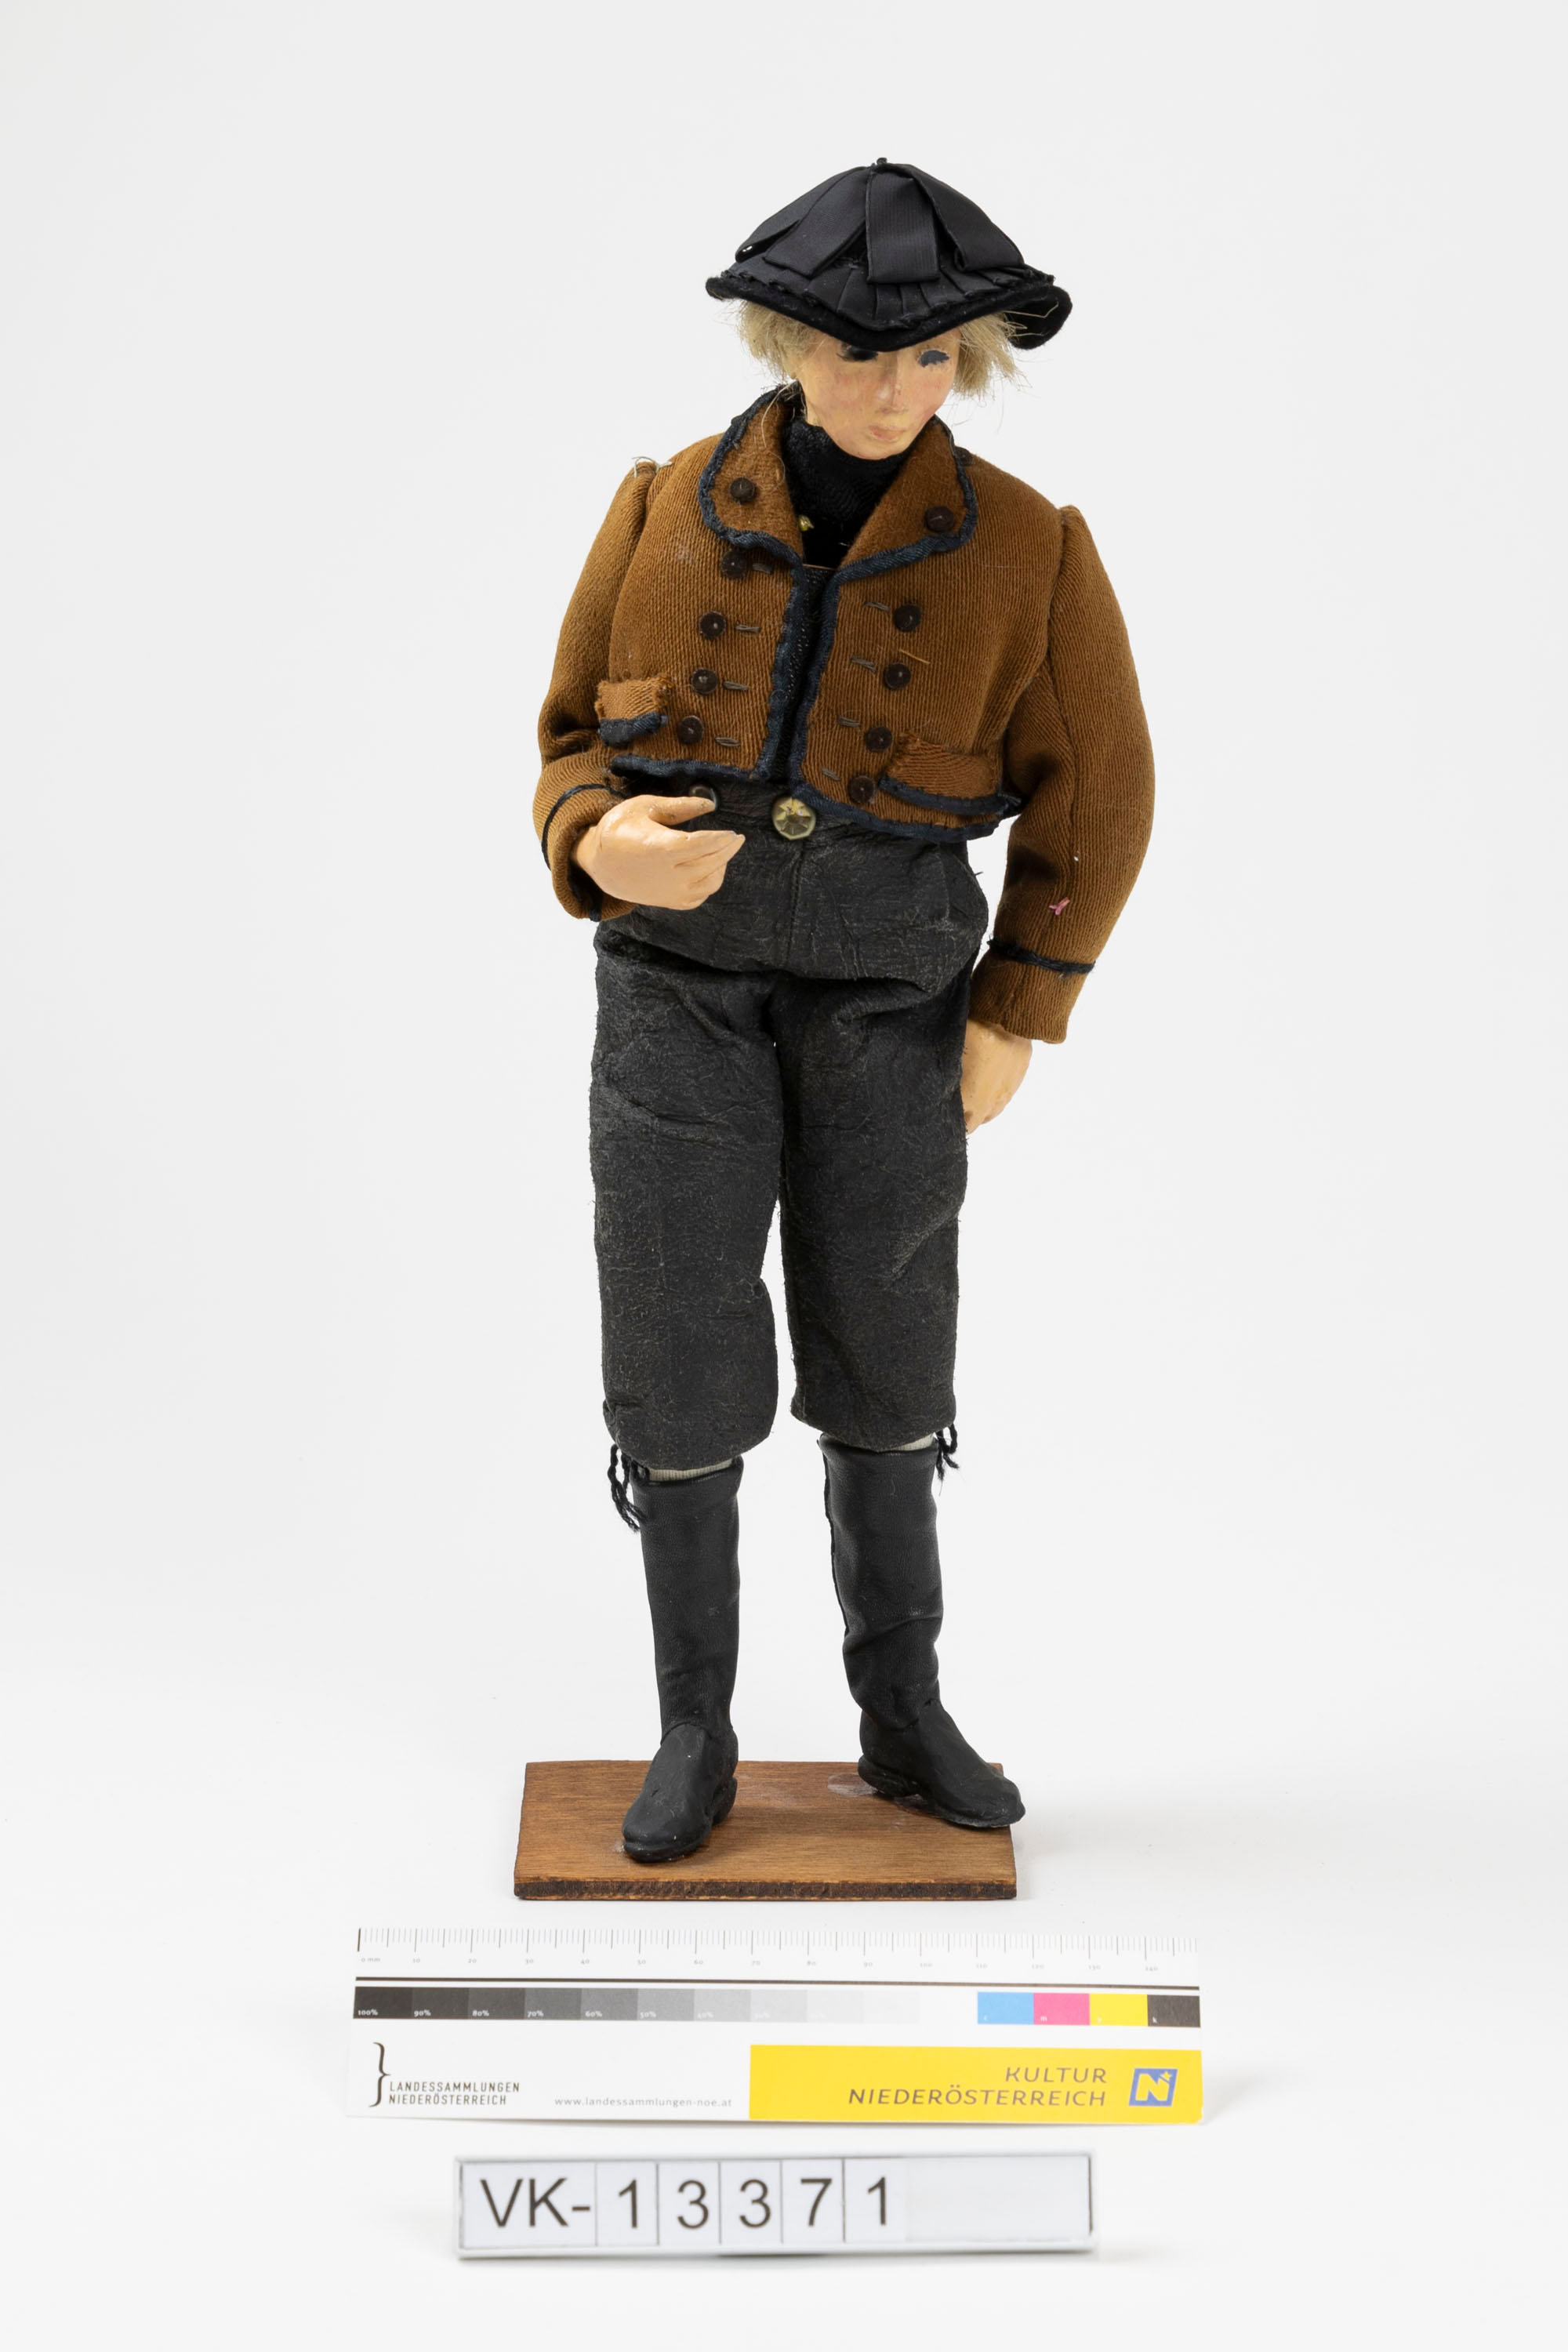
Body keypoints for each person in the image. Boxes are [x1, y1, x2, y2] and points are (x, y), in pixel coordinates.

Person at [533, 161, 1155, 1864]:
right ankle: (694, 1729)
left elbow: (1100, 789)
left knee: (889, 1347)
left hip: (894, 1001)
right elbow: (571, 728)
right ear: (784, 342)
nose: (892, 391)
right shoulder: (663, 503)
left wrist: (1017, 1006)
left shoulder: (1028, 547)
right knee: (676, 1344)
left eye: (931, 357)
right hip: (676, 1000)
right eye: (859, 353)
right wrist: (593, 840)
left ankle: (901, 1711)